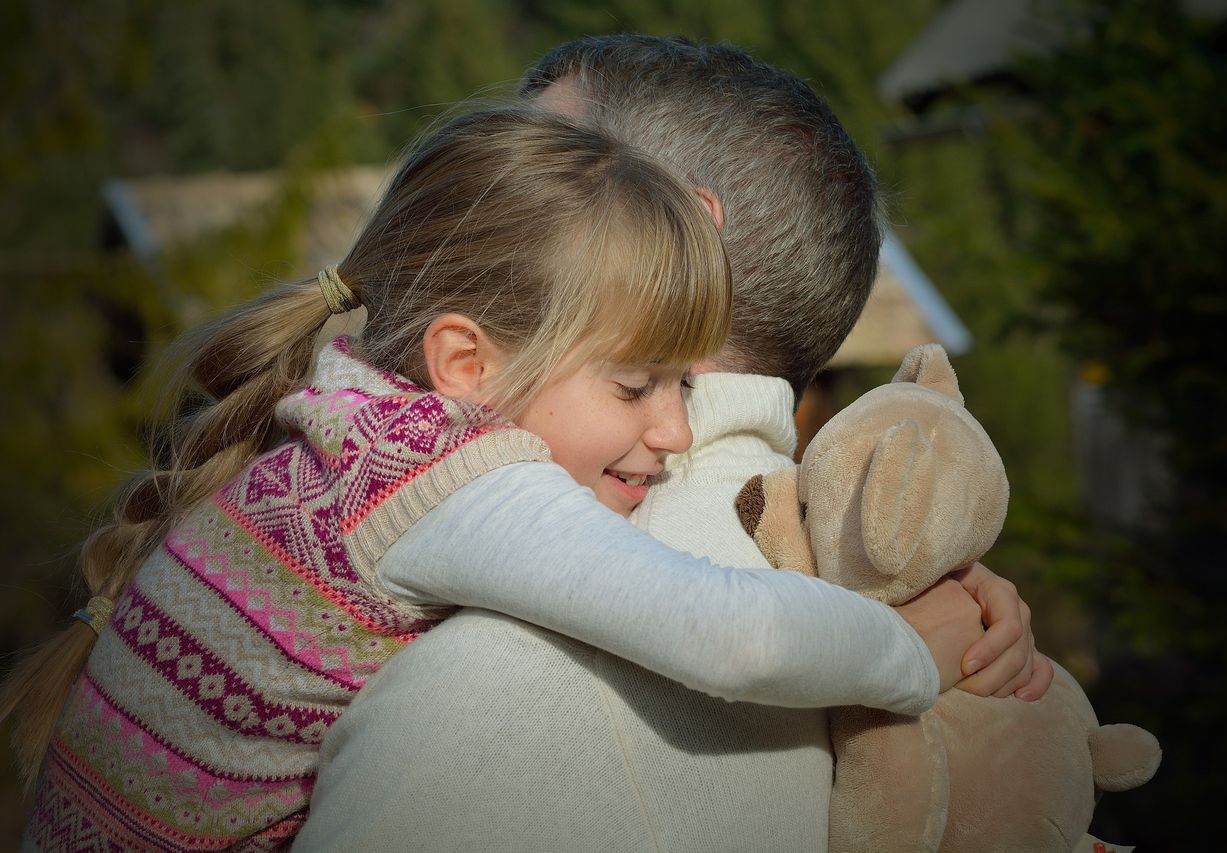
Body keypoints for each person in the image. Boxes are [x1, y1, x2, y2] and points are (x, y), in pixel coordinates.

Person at [9, 106, 982, 851]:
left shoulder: (348, 424)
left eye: (683, 384)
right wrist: (909, 651)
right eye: (636, 384)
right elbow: (733, 633)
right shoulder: (446, 480)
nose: (676, 429)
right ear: (466, 366)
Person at [295, 36, 1050, 853]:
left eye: (541, 163)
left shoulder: (489, 690)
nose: (473, 209)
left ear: (684, 229)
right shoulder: (888, 597)